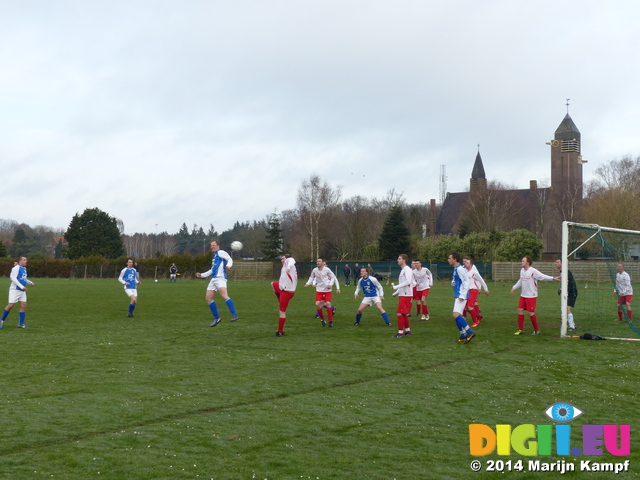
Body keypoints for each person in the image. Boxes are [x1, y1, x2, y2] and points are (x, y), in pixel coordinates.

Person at [510, 256, 559, 335]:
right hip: (523, 295)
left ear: (527, 263)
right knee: (520, 310)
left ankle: (536, 330)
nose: (521, 262)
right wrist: (513, 288)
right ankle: (520, 329)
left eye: (523, 261)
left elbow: (542, 277)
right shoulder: (522, 270)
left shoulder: (533, 271)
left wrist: (552, 278)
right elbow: (521, 280)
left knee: (530, 312)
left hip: (531, 296)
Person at [196, 240, 238, 326]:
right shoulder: (215, 256)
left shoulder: (221, 252)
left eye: (214, 245)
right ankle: (217, 318)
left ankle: (234, 314)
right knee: (208, 298)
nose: (212, 247)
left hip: (220, 278)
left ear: (218, 246)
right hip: (214, 279)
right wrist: (202, 275)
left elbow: (229, 259)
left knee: (224, 295)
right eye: (211, 245)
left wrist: (229, 265)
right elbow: (212, 270)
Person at [0, 256, 35, 328]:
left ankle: (21, 324)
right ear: (20, 261)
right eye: (24, 260)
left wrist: (30, 282)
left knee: (23, 305)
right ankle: (1, 321)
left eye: (26, 260)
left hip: (22, 290)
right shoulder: (16, 268)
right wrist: (22, 286)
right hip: (15, 290)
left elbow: (24, 278)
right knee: (11, 305)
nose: (26, 261)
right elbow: (13, 278)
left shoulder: (24, 269)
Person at [448, 252, 475, 344]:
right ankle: (463, 335)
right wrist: (453, 282)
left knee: (456, 315)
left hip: (461, 296)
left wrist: (463, 295)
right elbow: (457, 280)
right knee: (456, 316)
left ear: (454, 259)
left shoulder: (460, 269)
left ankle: (470, 332)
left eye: (450, 258)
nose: (448, 260)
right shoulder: (456, 269)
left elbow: (466, 282)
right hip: (458, 295)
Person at [305, 258, 341, 327]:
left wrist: (330, 284)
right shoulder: (314, 270)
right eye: (317, 261)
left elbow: (333, 278)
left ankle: (330, 321)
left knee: (328, 303)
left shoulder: (327, 270)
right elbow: (312, 277)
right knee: (317, 304)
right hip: (319, 290)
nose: (318, 262)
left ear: (322, 262)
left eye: (319, 261)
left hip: (327, 290)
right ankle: (322, 319)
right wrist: (308, 283)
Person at [272, 254, 297, 336]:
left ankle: (280, 331)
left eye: (283, 258)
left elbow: (292, 260)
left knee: (282, 312)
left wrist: (289, 267)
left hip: (287, 291)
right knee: (273, 284)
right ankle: (280, 300)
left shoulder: (289, 263)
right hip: (283, 289)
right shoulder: (284, 265)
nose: (281, 260)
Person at [390, 254, 413, 337]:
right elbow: (403, 283)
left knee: (400, 313)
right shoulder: (403, 270)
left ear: (404, 260)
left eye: (399, 259)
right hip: (403, 294)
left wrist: (396, 287)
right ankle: (407, 331)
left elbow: (408, 281)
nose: (397, 260)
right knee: (404, 313)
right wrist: (396, 292)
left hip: (406, 295)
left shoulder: (407, 269)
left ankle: (400, 333)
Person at [463, 257, 489, 328]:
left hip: (473, 290)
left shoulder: (474, 272)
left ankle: (475, 322)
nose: (465, 264)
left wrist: (486, 289)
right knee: (465, 308)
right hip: (467, 291)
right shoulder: (464, 271)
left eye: (467, 263)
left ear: (471, 265)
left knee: (469, 307)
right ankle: (478, 316)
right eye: (465, 262)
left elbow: (481, 280)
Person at [555, 259, 577, 331]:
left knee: (567, 309)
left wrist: (567, 292)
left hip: (571, 293)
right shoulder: (562, 272)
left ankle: (572, 326)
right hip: (568, 293)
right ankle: (572, 324)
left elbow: (569, 284)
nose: (556, 264)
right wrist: (561, 289)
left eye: (557, 262)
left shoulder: (566, 272)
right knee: (565, 309)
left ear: (562, 263)